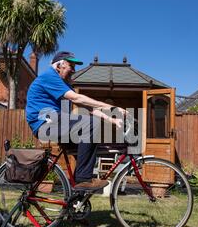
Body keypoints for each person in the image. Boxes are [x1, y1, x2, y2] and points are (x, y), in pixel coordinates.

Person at [25, 51, 126, 190]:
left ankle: (76, 199)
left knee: (88, 143)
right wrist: (112, 107)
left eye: (74, 67)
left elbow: (87, 107)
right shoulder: (50, 76)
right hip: (44, 124)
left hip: (55, 122)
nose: (73, 70)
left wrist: (112, 120)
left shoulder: (61, 83)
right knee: (91, 124)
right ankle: (83, 180)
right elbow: (77, 98)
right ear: (59, 65)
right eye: (71, 66)